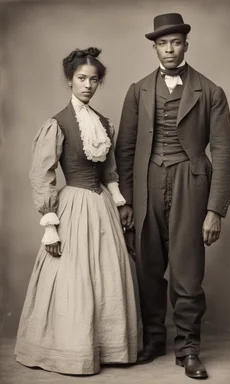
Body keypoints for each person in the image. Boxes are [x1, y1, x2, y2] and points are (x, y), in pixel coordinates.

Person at [115, 13, 230, 379]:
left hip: (190, 184)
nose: (169, 49)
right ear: (155, 48)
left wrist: (215, 209)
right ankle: (154, 340)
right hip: (148, 181)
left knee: (187, 271)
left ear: (186, 44)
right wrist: (128, 201)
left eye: (176, 42)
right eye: (162, 43)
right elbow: (126, 149)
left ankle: (188, 349)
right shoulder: (138, 90)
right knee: (147, 268)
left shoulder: (211, 91)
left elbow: (225, 152)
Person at [15, 47, 139, 376]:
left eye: (94, 80)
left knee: (106, 275)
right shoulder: (57, 124)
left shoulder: (103, 123)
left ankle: (108, 347)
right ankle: (72, 351)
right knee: (73, 278)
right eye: (81, 79)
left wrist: (120, 201)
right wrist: (50, 225)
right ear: (69, 80)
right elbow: (41, 175)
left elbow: (109, 169)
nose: (88, 85)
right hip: (73, 204)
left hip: (102, 207)